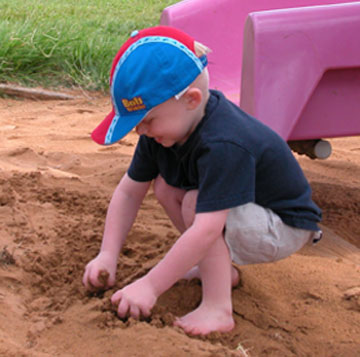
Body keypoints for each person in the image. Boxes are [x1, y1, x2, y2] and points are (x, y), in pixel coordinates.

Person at [82, 25, 322, 335]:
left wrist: (150, 286)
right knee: (166, 187)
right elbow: (129, 193)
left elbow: (208, 228)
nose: (141, 132)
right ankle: (218, 270)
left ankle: (218, 308)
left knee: (197, 204)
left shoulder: (223, 142)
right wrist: (107, 254)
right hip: (246, 213)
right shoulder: (161, 132)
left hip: (284, 225)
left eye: (147, 121)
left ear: (191, 100)